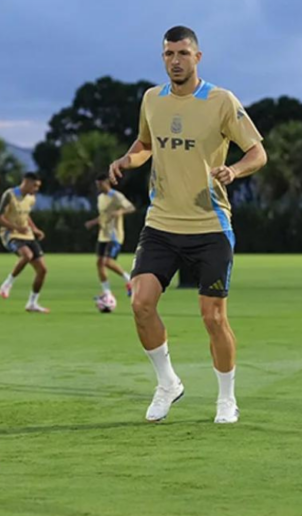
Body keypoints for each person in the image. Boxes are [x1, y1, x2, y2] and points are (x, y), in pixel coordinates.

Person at [108, 25, 268, 424]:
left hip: (210, 226)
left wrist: (233, 170)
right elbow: (146, 144)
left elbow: (257, 152)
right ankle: (168, 383)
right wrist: (128, 160)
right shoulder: (151, 99)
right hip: (161, 223)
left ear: (197, 57)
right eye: (168, 54)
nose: (175, 61)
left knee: (213, 318)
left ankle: (226, 399)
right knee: (140, 303)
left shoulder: (221, 101)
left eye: (182, 53)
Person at [0, 172, 50, 313]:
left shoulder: (31, 198)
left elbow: (26, 216)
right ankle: (7, 284)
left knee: (42, 270)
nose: (36, 189)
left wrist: (35, 229)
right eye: (35, 185)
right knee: (27, 255)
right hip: (10, 234)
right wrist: (17, 228)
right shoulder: (10, 194)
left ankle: (32, 303)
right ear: (26, 181)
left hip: (27, 235)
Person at [85, 173, 136, 301]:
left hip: (114, 235)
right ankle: (107, 292)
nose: (98, 187)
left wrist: (120, 211)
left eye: (100, 184)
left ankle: (130, 280)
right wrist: (93, 222)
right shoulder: (100, 197)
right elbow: (104, 216)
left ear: (106, 183)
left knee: (107, 262)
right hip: (103, 235)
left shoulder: (116, 196)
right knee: (99, 263)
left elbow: (131, 208)